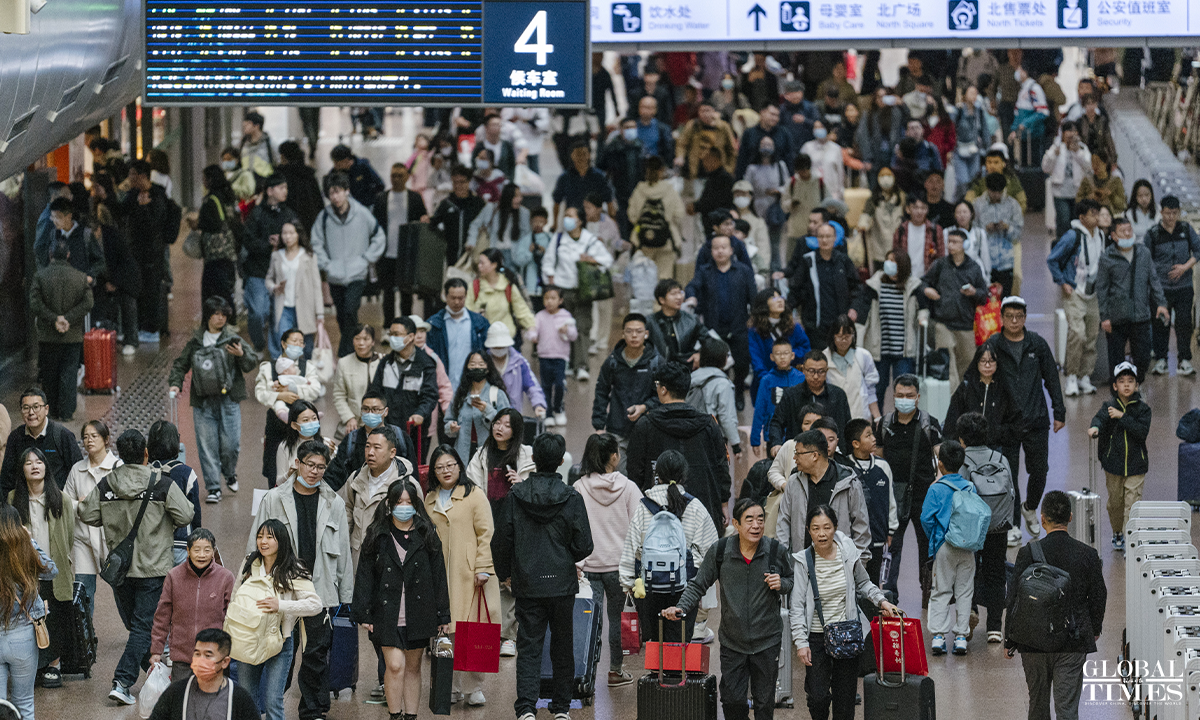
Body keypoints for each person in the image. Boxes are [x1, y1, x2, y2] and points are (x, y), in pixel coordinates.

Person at [79, 428, 194, 706]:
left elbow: (88, 514)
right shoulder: (161, 483)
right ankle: (122, 681)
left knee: (137, 626)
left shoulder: (108, 483)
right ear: (145, 454)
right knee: (143, 627)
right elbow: (186, 514)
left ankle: (159, 678)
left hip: (120, 570)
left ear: (120, 454)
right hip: (153, 568)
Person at [247, 439, 352, 720]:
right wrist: (250, 583)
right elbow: (254, 545)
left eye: (321, 467)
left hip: (319, 591)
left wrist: (347, 596)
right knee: (278, 647)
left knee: (316, 653)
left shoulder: (335, 503)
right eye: (310, 465)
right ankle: (270, 705)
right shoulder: (274, 499)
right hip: (280, 590)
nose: (315, 471)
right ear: (297, 464)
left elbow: (342, 551)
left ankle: (313, 710)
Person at [491, 433, 594, 720]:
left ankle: (526, 708)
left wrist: (505, 574)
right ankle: (561, 708)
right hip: (561, 584)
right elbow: (584, 544)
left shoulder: (515, 496)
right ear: (562, 461)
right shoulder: (572, 497)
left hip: (527, 583)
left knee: (529, 646)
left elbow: (501, 540)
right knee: (563, 646)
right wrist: (566, 556)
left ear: (533, 459)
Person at [661, 499, 794, 720]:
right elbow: (699, 583)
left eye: (760, 519)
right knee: (732, 701)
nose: (756, 525)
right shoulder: (721, 551)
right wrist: (681, 607)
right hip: (733, 643)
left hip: (767, 641)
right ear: (736, 524)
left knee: (764, 705)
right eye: (749, 520)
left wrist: (783, 584)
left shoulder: (775, 551)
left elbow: (791, 579)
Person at [789, 504, 900, 720]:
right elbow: (796, 605)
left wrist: (882, 601)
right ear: (808, 530)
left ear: (835, 527)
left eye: (827, 527)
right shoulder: (803, 561)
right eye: (816, 528)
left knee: (845, 699)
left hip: (846, 633)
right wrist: (801, 642)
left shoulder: (847, 551)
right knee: (818, 696)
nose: (822, 534)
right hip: (816, 637)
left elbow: (864, 582)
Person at [352, 480, 451, 720]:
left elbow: (439, 575)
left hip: (419, 610)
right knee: (395, 665)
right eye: (399, 502)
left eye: (409, 502)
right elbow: (365, 574)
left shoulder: (427, 533)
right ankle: (395, 715)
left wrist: (443, 614)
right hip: (387, 610)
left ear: (416, 504)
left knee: (413, 667)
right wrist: (363, 612)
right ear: (389, 504)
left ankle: (411, 716)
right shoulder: (378, 533)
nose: (404, 507)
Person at [1006, 490, 1108, 720]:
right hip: (1072, 639)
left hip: (1032, 642)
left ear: (1042, 519)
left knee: (1038, 704)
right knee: (1067, 709)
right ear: (1070, 518)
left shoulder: (1027, 553)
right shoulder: (1088, 555)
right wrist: (1094, 629)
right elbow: (1099, 595)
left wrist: (1009, 640)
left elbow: (1013, 598)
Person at [424, 444, 503, 705]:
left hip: (470, 574)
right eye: (440, 467)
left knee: (472, 631)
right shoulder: (430, 499)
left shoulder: (474, 495)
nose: (446, 471)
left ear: (459, 466)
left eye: (450, 465)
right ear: (433, 472)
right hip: (439, 574)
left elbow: (486, 532)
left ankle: (472, 687)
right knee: (445, 630)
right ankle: (450, 684)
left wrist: (482, 566)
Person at [983, 296, 1065, 545]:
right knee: (1008, 475)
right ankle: (1013, 524)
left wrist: (1059, 412)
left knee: (1039, 470)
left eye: (1019, 316)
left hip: (1036, 418)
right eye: (1009, 317)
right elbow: (980, 374)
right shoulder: (993, 345)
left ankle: (1030, 506)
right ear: (1002, 318)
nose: (1015, 321)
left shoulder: (1037, 345)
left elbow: (1051, 377)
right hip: (1005, 422)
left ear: (1025, 318)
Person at [619, 449, 719, 643]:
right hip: (685, 588)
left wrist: (627, 582)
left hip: (648, 586)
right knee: (679, 642)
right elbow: (710, 549)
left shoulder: (644, 507)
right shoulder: (695, 506)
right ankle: (677, 673)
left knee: (654, 643)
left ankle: (657, 674)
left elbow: (632, 546)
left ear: (657, 475)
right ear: (684, 475)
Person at [169, 296, 259, 503]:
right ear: (208, 316)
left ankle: (229, 472)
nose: (220, 319)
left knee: (231, 444)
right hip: (203, 401)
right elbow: (180, 364)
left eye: (224, 315)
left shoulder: (232, 338)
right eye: (216, 314)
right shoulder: (195, 341)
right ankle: (213, 487)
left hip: (229, 400)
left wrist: (241, 353)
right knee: (206, 445)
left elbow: (250, 363)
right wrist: (176, 382)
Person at [233, 520, 321, 720]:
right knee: (247, 699)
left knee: (273, 701)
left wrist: (281, 606)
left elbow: (315, 604)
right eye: (260, 536)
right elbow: (235, 596)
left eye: (269, 537)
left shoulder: (294, 568)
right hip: (248, 638)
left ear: (281, 541)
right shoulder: (250, 562)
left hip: (280, 641)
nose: (263, 542)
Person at [627, 361, 730, 531]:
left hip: (657, 512)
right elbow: (721, 466)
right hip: (704, 509)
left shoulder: (645, 424)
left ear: (663, 389)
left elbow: (635, 472)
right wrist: (724, 503)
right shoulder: (708, 424)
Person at [575, 433, 643, 687]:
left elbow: (574, 527)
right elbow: (639, 527)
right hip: (619, 567)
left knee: (590, 621)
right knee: (617, 621)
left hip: (588, 566)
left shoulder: (579, 487)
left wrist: (577, 563)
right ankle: (615, 671)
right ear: (613, 456)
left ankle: (586, 675)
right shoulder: (628, 487)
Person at [8, 448, 74, 690]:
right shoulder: (14, 498)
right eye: (28, 463)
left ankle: (53, 666)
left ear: (46, 467)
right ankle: (33, 666)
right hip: (24, 571)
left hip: (52, 568)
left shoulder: (61, 499)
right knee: (28, 617)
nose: (35, 466)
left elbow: (68, 535)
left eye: (39, 462)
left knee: (55, 615)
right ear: (22, 470)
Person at [875, 375, 943, 605]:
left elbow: (940, 456)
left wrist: (939, 482)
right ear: (893, 396)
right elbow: (879, 460)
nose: (905, 399)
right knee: (893, 547)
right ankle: (891, 595)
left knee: (927, 546)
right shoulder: (883, 425)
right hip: (894, 497)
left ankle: (928, 592)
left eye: (910, 396)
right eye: (900, 395)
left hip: (925, 497)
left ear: (918, 397)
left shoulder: (929, 423)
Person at [312, 172, 386, 357]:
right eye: (331, 193)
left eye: (338, 192)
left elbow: (379, 235)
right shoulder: (324, 217)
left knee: (350, 310)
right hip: (335, 275)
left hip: (357, 273)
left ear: (347, 191)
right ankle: (354, 347)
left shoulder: (361, 213)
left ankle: (345, 353)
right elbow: (316, 242)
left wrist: (367, 259)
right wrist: (325, 264)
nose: (335, 197)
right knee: (342, 315)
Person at [147, 529, 233, 681]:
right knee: (182, 702)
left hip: (214, 656)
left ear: (213, 552)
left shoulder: (225, 577)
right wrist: (156, 651)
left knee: (213, 701)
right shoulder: (174, 576)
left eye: (207, 550)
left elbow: (232, 617)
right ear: (188, 550)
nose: (201, 555)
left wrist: (229, 650)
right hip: (182, 657)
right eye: (196, 550)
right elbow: (162, 616)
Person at [919, 441, 979, 656]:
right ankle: (961, 637)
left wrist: (935, 538)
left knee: (941, 589)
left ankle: (938, 636)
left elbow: (925, 518)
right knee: (965, 591)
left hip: (944, 545)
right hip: (967, 546)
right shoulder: (970, 486)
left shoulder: (936, 489)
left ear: (940, 464)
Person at [777, 428, 872, 563]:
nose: (794, 458)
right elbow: (783, 523)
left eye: (798, 453)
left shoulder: (848, 482)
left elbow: (861, 527)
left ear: (815, 455)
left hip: (838, 568)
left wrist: (856, 565)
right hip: (802, 566)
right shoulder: (794, 482)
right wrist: (785, 563)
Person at [542, 206, 614, 381]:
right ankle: (565, 363)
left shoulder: (590, 241)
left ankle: (581, 365)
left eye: (570, 216)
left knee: (582, 327)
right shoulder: (558, 239)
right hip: (561, 290)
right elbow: (548, 262)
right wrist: (551, 284)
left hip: (583, 291)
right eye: (565, 216)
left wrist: (591, 259)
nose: (566, 219)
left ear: (580, 221)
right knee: (562, 327)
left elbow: (607, 260)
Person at [685, 235, 757, 410]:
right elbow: (692, 286)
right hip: (714, 328)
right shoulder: (704, 270)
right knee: (717, 366)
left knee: (741, 364)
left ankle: (738, 392)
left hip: (739, 326)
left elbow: (753, 296)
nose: (720, 251)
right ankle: (721, 398)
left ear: (731, 250)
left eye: (724, 247)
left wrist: (753, 316)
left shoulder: (743, 270)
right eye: (716, 247)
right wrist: (691, 297)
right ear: (711, 251)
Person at [1087, 361, 1151, 551]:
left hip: (1136, 465)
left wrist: (1122, 417)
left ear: (1136, 385)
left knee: (1132, 503)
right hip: (1113, 464)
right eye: (1121, 381)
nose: (1126, 385)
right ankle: (1118, 532)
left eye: (1130, 381)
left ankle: (1130, 541)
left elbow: (1141, 432)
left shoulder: (1143, 409)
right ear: (1115, 386)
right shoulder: (1108, 406)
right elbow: (1099, 419)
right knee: (1115, 503)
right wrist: (1095, 427)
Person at [1095, 217, 1168, 382]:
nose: (1128, 234)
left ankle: (1137, 385)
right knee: (1116, 360)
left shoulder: (1144, 253)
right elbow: (1102, 289)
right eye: (1123, 231)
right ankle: (1118, 395)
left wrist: (1161, 303)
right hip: (1116, 317)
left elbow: (1154, 280)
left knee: (1143, 357)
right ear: (1113, 235)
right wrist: (1104, 316)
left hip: (1140, 315)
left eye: (1130, 230)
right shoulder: (1107, 258)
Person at [0, 504, 54, 720]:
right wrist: (30, 541)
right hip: (23, 637)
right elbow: (52, 570)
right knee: (24, 704)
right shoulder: (25, 550)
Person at [29, 241, 92, 422]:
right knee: (69, 372)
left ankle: (52, 410)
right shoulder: (80, 278)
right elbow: (88, 303)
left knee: (49, 373)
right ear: (68, 255)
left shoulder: (40, 277)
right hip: (71, 336)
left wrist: (54, 318)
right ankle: (66, 412)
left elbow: (35, 303)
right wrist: (68, 319)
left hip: (48, 336)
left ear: (50, 255)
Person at [1048, 200, 1105, 398]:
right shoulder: (1073, 236)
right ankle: (1071, 375)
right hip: (1074, 291)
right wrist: (1062, 281)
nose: (1097, 217)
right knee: (1078, 333)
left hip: (1094, 292)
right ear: (1082, 218)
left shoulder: (1101, 235)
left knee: (1091, 336)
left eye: (1098, 213)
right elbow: (1052, 259)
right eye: (1092, 214)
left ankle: (1085, 376)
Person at [592, 313, 664, 468]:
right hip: (617, 428)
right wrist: (599, 426)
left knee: (643, 475)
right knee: (619, 475)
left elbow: (662, 395)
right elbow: (601, 392)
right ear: (623, 334)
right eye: (629, 331)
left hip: (647, 429)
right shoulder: (612, 362)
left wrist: (644, 407)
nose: (634, 336)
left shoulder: (656, 362)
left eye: (639, 331)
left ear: (646, 334)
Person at [922, 228, 989, 388]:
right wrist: (928, 290)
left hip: (965, 325)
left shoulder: (974, 267)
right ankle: (952, 405)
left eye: (955, 242)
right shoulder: (940, 265)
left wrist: (973, 292)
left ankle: (965, 402)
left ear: (965, 244)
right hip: (943, 323)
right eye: (949, 242)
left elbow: (984, 295)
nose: (951, 245)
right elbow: (923, 282)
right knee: (949, 367)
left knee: (967, 367)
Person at [243, 173, 303, 354]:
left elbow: (300, 237)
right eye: (281, 188)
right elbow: (247, 240)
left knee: (279, 315)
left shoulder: (289, 214)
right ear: (270, 191)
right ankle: (259, 344)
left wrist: (284, 243)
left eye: (286, 187)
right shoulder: (257, 214)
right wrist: (267, 244)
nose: (285, 191)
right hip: (258, 272)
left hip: (281, 273)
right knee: (258, 313)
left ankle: (276, 351)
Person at [63, 421, 117, 616]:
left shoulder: (117, 467)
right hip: (83, 538)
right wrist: (83, 505)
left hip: (113, 538)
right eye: (85, 437)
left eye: (94, 436)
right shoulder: (77, 469)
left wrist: (88, 504)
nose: (89, 440)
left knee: (123, 591)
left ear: (106, 439)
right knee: (84, 591)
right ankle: (85, 638)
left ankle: (137, 631)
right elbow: (66, 502)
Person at [147, 629, 260, 720]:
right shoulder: (177, 692)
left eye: (208, 655)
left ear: (225, 662)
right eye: (197, 653)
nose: (201, 660)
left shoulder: (240, 698)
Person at [1145, 195, 1200, 377]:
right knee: (1161, 324)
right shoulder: (1153, 233)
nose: (1171, 217)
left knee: (1184, 322)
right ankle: (1161, 359)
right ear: (1161, 212)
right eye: (1167, 213)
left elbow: (1198, 250)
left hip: (1184, 286)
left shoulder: (1185, 229)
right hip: (1161, 288)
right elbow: (1146, 259)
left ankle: (1184, 360)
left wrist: (1185, 267)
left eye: (1174, 213)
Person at [855, 251, 921, 403]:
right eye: (888, 260)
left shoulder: (912, 286)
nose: (889, 263)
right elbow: (864, 314)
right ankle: (876, 422)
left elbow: (922, 309)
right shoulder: (875, 285)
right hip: (879, 348)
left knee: (904, 390)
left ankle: (902, 423)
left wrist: (922, 315)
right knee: (877, 389)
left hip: (904, 350)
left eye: (894, 260)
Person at [372, 163, 430, 326]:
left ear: (407, 177)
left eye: (400, 175)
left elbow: (423, 220)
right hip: (387, 254)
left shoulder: (414, 198)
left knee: (406, 294)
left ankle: (406, 325)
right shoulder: (382, 198)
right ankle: (388, 326)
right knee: (388, 293)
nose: (396, 179)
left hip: (407, 255)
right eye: (393, 175)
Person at [119, 160, 169, 343]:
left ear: (142, 176)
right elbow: (121, 211)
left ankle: (152, 328)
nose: (129, 178)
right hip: (135, 252)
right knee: (139, 288)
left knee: (152, 290)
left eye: (132, 174)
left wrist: (144, 208)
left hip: (152, 253)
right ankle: (141, 327)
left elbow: (155, 225)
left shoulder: (157, 195)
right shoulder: (133, 194)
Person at [790, 223, 861, 351]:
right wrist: (788, 311)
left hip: (841, 324)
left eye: (828, 236)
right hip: (815, 325)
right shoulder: (808, 261)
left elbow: (856, 287)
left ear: (835, 238)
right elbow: (796, 290)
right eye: (821, 236)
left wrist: (854, 308)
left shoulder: (843, 261)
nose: (824, 240)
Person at [843, 419, 898, 584]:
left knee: (873, 581)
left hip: (878, 536)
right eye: (868, 435)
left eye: (873, 434)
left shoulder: (883, 466)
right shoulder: (845, 467)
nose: (874, 438)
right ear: (855, 443)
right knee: (851, 581)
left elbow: (891, 501)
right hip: (852, 539)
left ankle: (872, 610)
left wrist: (891, 530)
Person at [0, 388, 82, 497]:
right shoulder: (16, 437)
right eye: (26, 408)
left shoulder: (62, 435)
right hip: (25, 504)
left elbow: (78, 471)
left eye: (36, 407)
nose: (31, 412)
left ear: (46, 409)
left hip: (56, 504)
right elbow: (7, 478)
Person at [769, 352, 852, 458]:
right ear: (803, 370)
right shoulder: (791, 395)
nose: (816, 376)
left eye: (821, 372)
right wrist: (776, 444)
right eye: (811, 371)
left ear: (827, 371)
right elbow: (776, 423)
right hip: (798, 455)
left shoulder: (838, 395)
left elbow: (847, 426)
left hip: (833, 455)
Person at [146, 421, 202, 568]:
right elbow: (195, 514)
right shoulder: (186, 473)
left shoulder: (144, 472)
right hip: (180, 543)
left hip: (151, 544)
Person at [264, 221, 323, 359]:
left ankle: (307, 377)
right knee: (286, 345)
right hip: (283, 308)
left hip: (305, 307)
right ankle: (288, 377)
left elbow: (316, 286)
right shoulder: (276, 256)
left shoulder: (308, 256)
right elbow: (268, 279)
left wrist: (319, 313)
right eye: (284, 233)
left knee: (307, 348)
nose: (287, 237)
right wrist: (274, 287)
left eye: (291, 233)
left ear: (298, 235)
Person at [943, 344, 1022, 446]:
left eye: (991, 361)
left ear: (998, 363)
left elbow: (1015, 422)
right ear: (976, 362)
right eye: (983, 361)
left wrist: (998, 434)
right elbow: (951, 421)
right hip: (968, 448)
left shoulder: (1006, 388)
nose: (987, 365)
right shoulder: (965, 388)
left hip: (997, 449)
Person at [427, 278, 490, 392]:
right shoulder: (434, 325)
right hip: (442, 388)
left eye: (460, 298)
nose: (457, 302)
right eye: (453, 298)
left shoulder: (480, 324)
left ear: (466, 296)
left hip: (472, 387)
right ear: (445, 296)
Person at [524, 286, 575, 426]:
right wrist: (533, 336)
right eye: (546, 298)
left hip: (560, 356)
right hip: (544, 355)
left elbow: (574, 335)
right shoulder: (540, 316)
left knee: (559, 384)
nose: (549, 301)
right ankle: (549, 412)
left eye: (553, 298)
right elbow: (533, 329)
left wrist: (567, 331)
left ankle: (559, 408)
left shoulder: (565, 315)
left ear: (560, 300)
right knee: (545, 385)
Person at [627, 157, 685, 278]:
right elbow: (679, 214)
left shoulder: (639, 190)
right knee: (664, 279)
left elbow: (632, 216)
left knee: (644, 281)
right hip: (667, 241)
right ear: (662, 170)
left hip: (642, 241)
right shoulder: (669, 190)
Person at [748, 288, 810, 401]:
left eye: (781, 296)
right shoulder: (755, 331)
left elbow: (806, 348)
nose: (780, 300)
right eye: (774, 297)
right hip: (766, 383)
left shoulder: (793, 327)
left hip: (792, 382)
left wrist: (788, 354)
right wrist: (768, 381)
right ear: (763, 303)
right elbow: (756, 360)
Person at [973, 172, 1025, 296]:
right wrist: (985, 230)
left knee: (1005, 298)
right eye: (993, 192)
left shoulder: (1013, 205)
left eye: (999, 192)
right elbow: (973, 232)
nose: (996, 195)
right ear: (987, 189)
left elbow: (1017, 235)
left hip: (1006, 261)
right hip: (984, 260)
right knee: (986, 299)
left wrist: (1007, 228)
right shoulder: (977, 205)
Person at [468, 250, 536, 340]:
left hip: (506, 339)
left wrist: (531, 327)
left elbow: (522, 310)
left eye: (482, 263)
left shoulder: (507, 286)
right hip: (482, 339)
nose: (479, 266)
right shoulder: (474, 286)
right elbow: (467, 312)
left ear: (494, 265)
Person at [823, 316, 880, 421]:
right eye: (840, 337)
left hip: (860, 418)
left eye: (848, 336)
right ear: (833, 336)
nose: (844, 341)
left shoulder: (863, 356)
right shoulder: (824, 358)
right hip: (833, 419)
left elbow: (870, 391)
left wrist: (877, 418)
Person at [1042, 121, 1092, 240]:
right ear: (1063, 133)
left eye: (1074, 131)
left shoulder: (1082, 148)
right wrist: (1054, 154)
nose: (1071, 134)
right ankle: (1062, 245)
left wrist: (1077, 153)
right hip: (1060, 192)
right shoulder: (1056, 148)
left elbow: (1089, 167)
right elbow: (1045, 167)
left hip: (1077, 192)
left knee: (1076, 222)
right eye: (1068, 131)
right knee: (1063, 220)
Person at [431, 166, 488, 271]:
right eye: (455, 182)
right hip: (451, 257)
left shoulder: (478, 204)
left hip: (473, 255)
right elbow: (434, 223)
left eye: (462, 182)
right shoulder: (446, 204)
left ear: (469, 182)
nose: (458, 186)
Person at [752, 339, 804, 453]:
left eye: (786, 353)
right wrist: (755, 440)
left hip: (798, 433)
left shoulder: (801, 378)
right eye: (778, 354)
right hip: (774, 435)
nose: (782, 357)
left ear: (792, 355)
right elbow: (759, 409)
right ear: (771, 357)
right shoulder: (767, 380)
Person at [331, 324, 381, 440]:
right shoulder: (344, 363)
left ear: (373, 342)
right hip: (356, 422)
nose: (361, 343)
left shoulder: (382, 361)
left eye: (366, 339)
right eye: (357, 339)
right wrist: (349, 418)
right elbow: (339, 395)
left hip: (380, 422)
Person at [485, 323, 545, 419]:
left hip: (513, 416)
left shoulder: (519, 362)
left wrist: (538, 404)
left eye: (502, 346)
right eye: (496, 346)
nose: (499, 349)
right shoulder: (483, 362)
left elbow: (532, 386)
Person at [551, 139, 614, 230]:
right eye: (578, 154)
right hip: (573, 221)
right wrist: (555, 224)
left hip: (595, 221)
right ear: (572, 156)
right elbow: (557, 202)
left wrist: (612, 221)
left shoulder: (599, 176)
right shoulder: (564, 178)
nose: (581, 157)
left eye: (584, 154)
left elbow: (609, 201)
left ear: (589, 155)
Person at [646, 279, 711, 367]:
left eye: (680, 292)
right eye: (673, 294)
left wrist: (700, 354)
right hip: (659, 370)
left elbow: (709, 341)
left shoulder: (691, 320)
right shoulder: (650, 322)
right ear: (661, 300)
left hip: (686, 369)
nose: (679, 297)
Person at [951, 85, 989, 195]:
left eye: (975, 93)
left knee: (973, 181)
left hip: (974, 151)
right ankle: (959, 204)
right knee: (963, 181)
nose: (974, 96)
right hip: (959, 150)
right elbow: (952, 131)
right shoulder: (958, 111)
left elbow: (985, 132)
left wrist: (987, 150)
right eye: (971, 93)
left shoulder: (979, 112)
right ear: (964, 95)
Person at [951, 200, 991, 282]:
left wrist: (987, 277)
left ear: (971, 214)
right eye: (959, 212)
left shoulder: (979, 233)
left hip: (976, 274)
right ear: (954, 215)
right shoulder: (947, 232)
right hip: (954, 274)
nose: (962, 215)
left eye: (965, 212)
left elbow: (985, 257)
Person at [1125, 179, 1158, 244]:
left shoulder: (1158, 211)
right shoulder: (1129, 214)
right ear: (1135, 197)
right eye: (1140, 195)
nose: (1144, 199)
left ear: (1151, 195)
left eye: (1147, 195)